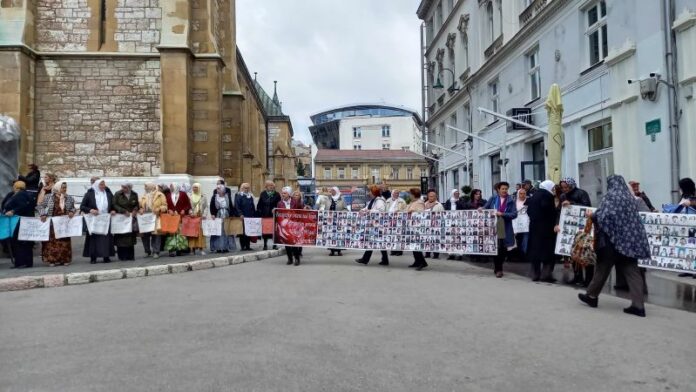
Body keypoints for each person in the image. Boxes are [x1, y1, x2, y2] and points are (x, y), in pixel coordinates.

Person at [578, 175, 651, 317]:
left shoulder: (610, 197)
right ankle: (638, 306)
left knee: (602, 269)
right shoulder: (630, 198)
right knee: (633, 272)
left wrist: (592, 216)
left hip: (611, 242)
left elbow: (604, 216)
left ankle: (591, 296)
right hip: (630, 242)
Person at [560, 177, 593, 286]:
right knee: (573, 253)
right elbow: (559, 212)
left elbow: (587, 206)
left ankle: (588, 279)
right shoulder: (563, 196)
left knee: (585, 252)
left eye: (566, 187)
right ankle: (577, 277)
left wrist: (571, 204)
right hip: (570, 228)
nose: (564, 189)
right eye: (563, 187)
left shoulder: (581, 193)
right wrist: (557, 224)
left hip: (583, 227)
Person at [483, 182, 518, 278]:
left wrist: (502, 214)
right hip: (493, 226)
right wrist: (480, 209)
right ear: (498, 189)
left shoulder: (510, 200)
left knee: (503, 249)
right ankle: (498, 269)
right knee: (496, 248)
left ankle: (499, 266)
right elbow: (485, 208)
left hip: (504, 227)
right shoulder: (493, 198)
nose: (505, 190)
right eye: (503, 189)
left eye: (506, 189)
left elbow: (514, 214)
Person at [525, 180, 558, 282]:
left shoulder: (534, 195)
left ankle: (535, 274)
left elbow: (529, 211)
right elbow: (547, 209)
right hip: (546, 228)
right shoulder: (547, 195)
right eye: (552, 188)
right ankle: (546, 275)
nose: (553, 190)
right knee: (548, 252)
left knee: (535, 251)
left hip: (534, 227)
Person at [38, 181, 76, 266]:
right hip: (52, 223)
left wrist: (71, 212)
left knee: (64, 242)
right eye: (63, 187)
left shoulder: (69, 198)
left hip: (64, 223)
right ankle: (52, 260)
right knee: (52, 243)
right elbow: (40, 206)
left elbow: (73, 208)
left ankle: (65, 259)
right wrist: (43, 214)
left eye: (65, 187)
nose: (65, 189)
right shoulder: (49, 197)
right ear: (58, 187)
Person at [80, 179, 115, 264]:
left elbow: (113, 205)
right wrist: (91, 210)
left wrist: (113, 210)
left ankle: (106, 256)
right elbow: (82, 206)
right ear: (96, 185)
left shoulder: (108, 194)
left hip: (105, 219)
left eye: (104, 184)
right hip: (93, 219)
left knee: (106, 238)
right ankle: (93, 257)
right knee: (93, 238)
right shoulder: (89, 194)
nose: (103, 186)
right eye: (101, 185)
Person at [2, 181, 35, 268]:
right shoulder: (21, 194)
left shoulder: (21, 195)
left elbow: (23, 206)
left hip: (20, 220)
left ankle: (23, 262)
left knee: (21, 242)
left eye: (14, 185)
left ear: (17, 186)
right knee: (22, 241)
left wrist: (13, 211)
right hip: (22, 220)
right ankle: (22, 262)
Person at [355, 185, 389, 266]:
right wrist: (362, 210)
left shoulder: (379, 201)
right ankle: (385, 260)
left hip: (378, 225)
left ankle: (365, 259)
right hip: (374, 224)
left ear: (374, 192)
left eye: (370, 191)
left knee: (373, 241)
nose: (369, 193)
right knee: (379, 243)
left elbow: (380, 211)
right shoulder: (373, 200)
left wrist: (369, 211)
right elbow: (367, 208)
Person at [139, 183, 167, 259]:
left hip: (156, 217)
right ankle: (147, 251)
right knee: (145, 235)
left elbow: (165, 206)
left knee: (156, 235)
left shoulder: (160, 195)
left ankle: (156, 251)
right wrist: (141, 209)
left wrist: (159, 209)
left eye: (146, 186)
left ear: (151, 186)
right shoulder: (143, 196)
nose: (145, 188)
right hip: (146, 218)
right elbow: (140, 206)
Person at [112, 183, 139, 261]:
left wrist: (135, 210)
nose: (123, 189)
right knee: (121, 237)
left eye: (125, 188)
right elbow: (114, 204)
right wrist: (123, 211)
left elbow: (137, 204)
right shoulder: (118, 194)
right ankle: (122, 256)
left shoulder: (134, 194)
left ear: (129, 188)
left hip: (130, 218)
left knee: (130, 236)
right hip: (121, 218)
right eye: (122, 187)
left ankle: (131, 256)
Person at [277, 187, 304, 266]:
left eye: (284, 193)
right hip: (284, 225)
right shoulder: (280, 203)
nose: (283, 195)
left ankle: (297, 259)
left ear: (289, 194)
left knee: (294, 242)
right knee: (287, 243)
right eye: (282, 193)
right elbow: (278, 212)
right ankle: (289, 258)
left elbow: (301, 210)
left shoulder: (295, 201)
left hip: (293, 224)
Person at [210, 183, 238, 253]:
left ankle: (225, 247)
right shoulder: (214, 197)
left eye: (219, 189)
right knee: (218, 231)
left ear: (223, 190)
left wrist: (232, 215)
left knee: (226, 231)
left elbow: (231, 206)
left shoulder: (227, 197)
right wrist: (213, 214)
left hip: (226, 215)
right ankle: (218, 247)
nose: (218, 190)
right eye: (217, 189)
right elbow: (212, 206)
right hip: (218, 215)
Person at [676, 178, 696, 278]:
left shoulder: (694, 196)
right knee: (687, 248)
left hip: (694, 226)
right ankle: (688, 268)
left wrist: (691, 203)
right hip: (684, 226)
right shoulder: (683, 196)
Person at [407, 188, 428, 270]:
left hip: (417, 227)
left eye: (410, 194)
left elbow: (421, 213)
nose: (409, 195)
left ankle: (423, 263)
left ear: (413, 195)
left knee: (416, 246)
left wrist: (413, 211)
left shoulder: (419, 203)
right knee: (413, 245)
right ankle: (417, 261)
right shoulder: (412, 202)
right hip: (411, 226)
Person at [257, 181, 281, 250]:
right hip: (265, 215)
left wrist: (276, 209)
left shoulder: (277, 194)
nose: (272, 187)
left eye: (273, 185)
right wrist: (260, 212)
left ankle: (274, 244)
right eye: (270, 185)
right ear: (266, 186)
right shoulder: (263, 194)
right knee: (265, 230)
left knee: (274, 230)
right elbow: (259, 204)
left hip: (273, 215)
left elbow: (279, 204)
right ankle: (265, 244)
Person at [187, 183, 208, 256]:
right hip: (192, 217)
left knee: (200, 234)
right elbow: (188, 206)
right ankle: (192, 249)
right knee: (192, 233)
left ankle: (201, 248)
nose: (194, 189)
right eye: (193, 187)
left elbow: (206, 207)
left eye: (196, 187)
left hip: (200, 217)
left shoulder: (203, 196)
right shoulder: (189, 196)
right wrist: (190, 212)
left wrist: (205, 215)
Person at [235, 182, 257, 251]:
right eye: (245, 188)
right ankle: (243, 246)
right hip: (242, 216)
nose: (246, 189)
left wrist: (253, 214)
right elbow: (237, 206)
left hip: (249, 216)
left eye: (248, 188)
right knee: (242, 232)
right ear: (242, 188)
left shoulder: (250, 196)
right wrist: (240, 214)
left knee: (249, 232)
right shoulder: (239, 196)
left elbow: (252, 206)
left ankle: (248, 246)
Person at [424, 189, 444, 260]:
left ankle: (436, 254)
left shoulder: (439, 205)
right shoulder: (425, 204)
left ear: (435, 197)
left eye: (432, 196)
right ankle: (427, 253)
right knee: (427, 239)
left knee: (435, 240)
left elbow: (442, 215)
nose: (431, 198)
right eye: (430, 196)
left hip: (436, 225)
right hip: (426, 225)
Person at [328, 186, 347, 256]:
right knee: (331, 235)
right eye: (331, 191)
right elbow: (325, 208)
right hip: (330, 221)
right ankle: (332, 251)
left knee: (339, 235)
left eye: (333, 191)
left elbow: (346, 209)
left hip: (339, 220)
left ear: (336, 191)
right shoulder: (328, 199)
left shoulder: (342, 199)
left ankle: (339, 251)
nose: (331, 192)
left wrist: (340, 213)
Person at [386, 189, 407, 256]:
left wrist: (399, 212)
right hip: (390, 221)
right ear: (392, 194)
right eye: (395, 193)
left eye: (397, 193)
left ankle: (399, 251)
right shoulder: (388, 201)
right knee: (391, 236)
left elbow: (405, 210)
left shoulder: (402, 201)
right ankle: (393, 250)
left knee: (399, 237)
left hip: (399, 221)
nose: (396, 194)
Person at [513, 188, 530, 260]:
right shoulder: (514, 202)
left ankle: (524, 253)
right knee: (515, 238)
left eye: (524, 194)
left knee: (525, 238)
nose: (522, 195)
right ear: (518, 194)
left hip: (526, 223)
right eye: (521, 193)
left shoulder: (529, 202)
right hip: (516, 222)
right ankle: (514, 254)